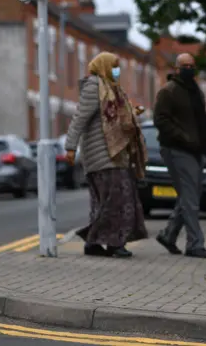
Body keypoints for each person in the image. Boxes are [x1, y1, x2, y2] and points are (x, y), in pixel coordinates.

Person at [64, 52, 148, 258]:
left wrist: (132, 114)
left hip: (115, 154)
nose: (117, 70)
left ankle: (94, 244)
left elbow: (111, 117)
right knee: (116, 201)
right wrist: (70, 147)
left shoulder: (112, 88)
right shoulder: (95, 87)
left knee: (104, 203)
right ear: (103, 66)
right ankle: (113, 244)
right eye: (114, 66)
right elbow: (80, 118)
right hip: (102, 155)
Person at [153, 53, 206, 259]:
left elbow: (203, 121)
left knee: (191, 196)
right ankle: (195, 244)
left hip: (195, 149)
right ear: (177, 68)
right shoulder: (168, 91)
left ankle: (168, 235)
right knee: (190, 198)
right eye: (184, 66)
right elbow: (160, 120)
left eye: (192, 65)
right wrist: (183, 137)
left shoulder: (195, 91)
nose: (189, 69)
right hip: (176, 150)